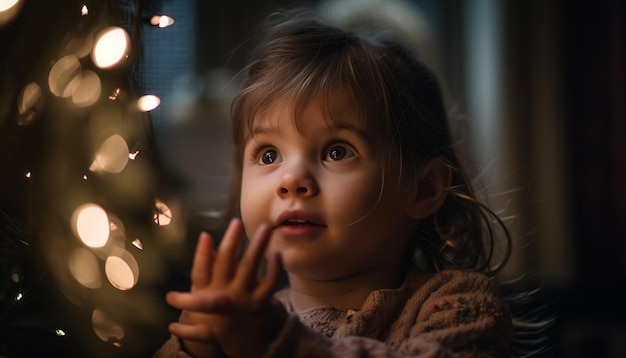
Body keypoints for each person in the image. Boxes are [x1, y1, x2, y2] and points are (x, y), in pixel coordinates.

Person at [155, 7, 513, 358]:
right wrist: (195, 347)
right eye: (268, 155)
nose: (292, 179)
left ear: (424, 188)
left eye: (337, 151)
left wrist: (275, 343)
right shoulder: (242, 318)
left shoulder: (459, 304)